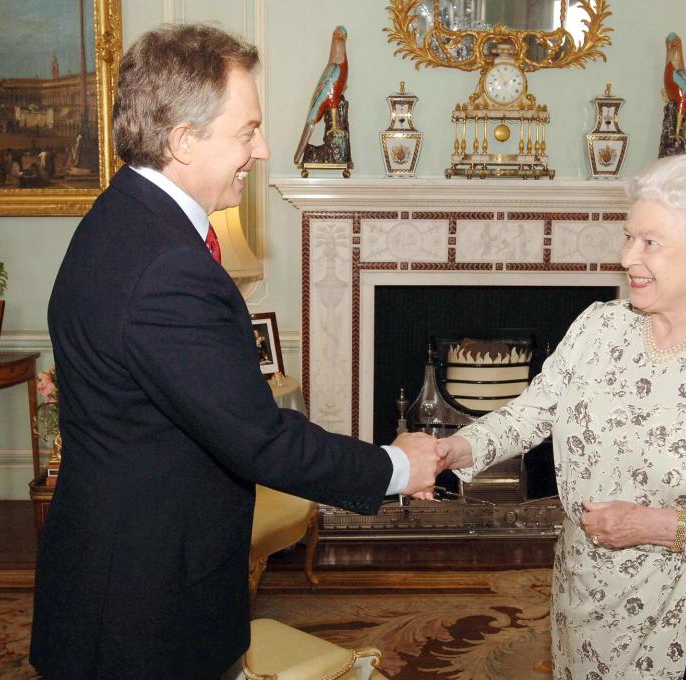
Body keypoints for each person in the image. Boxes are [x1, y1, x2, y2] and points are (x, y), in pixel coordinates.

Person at [30, 24, 444, 680]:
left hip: (116, 577)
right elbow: (262, 440)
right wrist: (398, 467)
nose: (264, 149)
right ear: (184, 140)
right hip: (144, 612)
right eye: (247, 131)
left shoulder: (120, 218)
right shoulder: (166, 265)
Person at [437, 153, 686, 679]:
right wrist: (453, 449)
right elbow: (531, 414)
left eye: (650, 243)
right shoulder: (598, 327)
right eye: (628, 236)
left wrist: (658, 526)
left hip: (682, 615)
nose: (629, 257)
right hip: (580, 591)